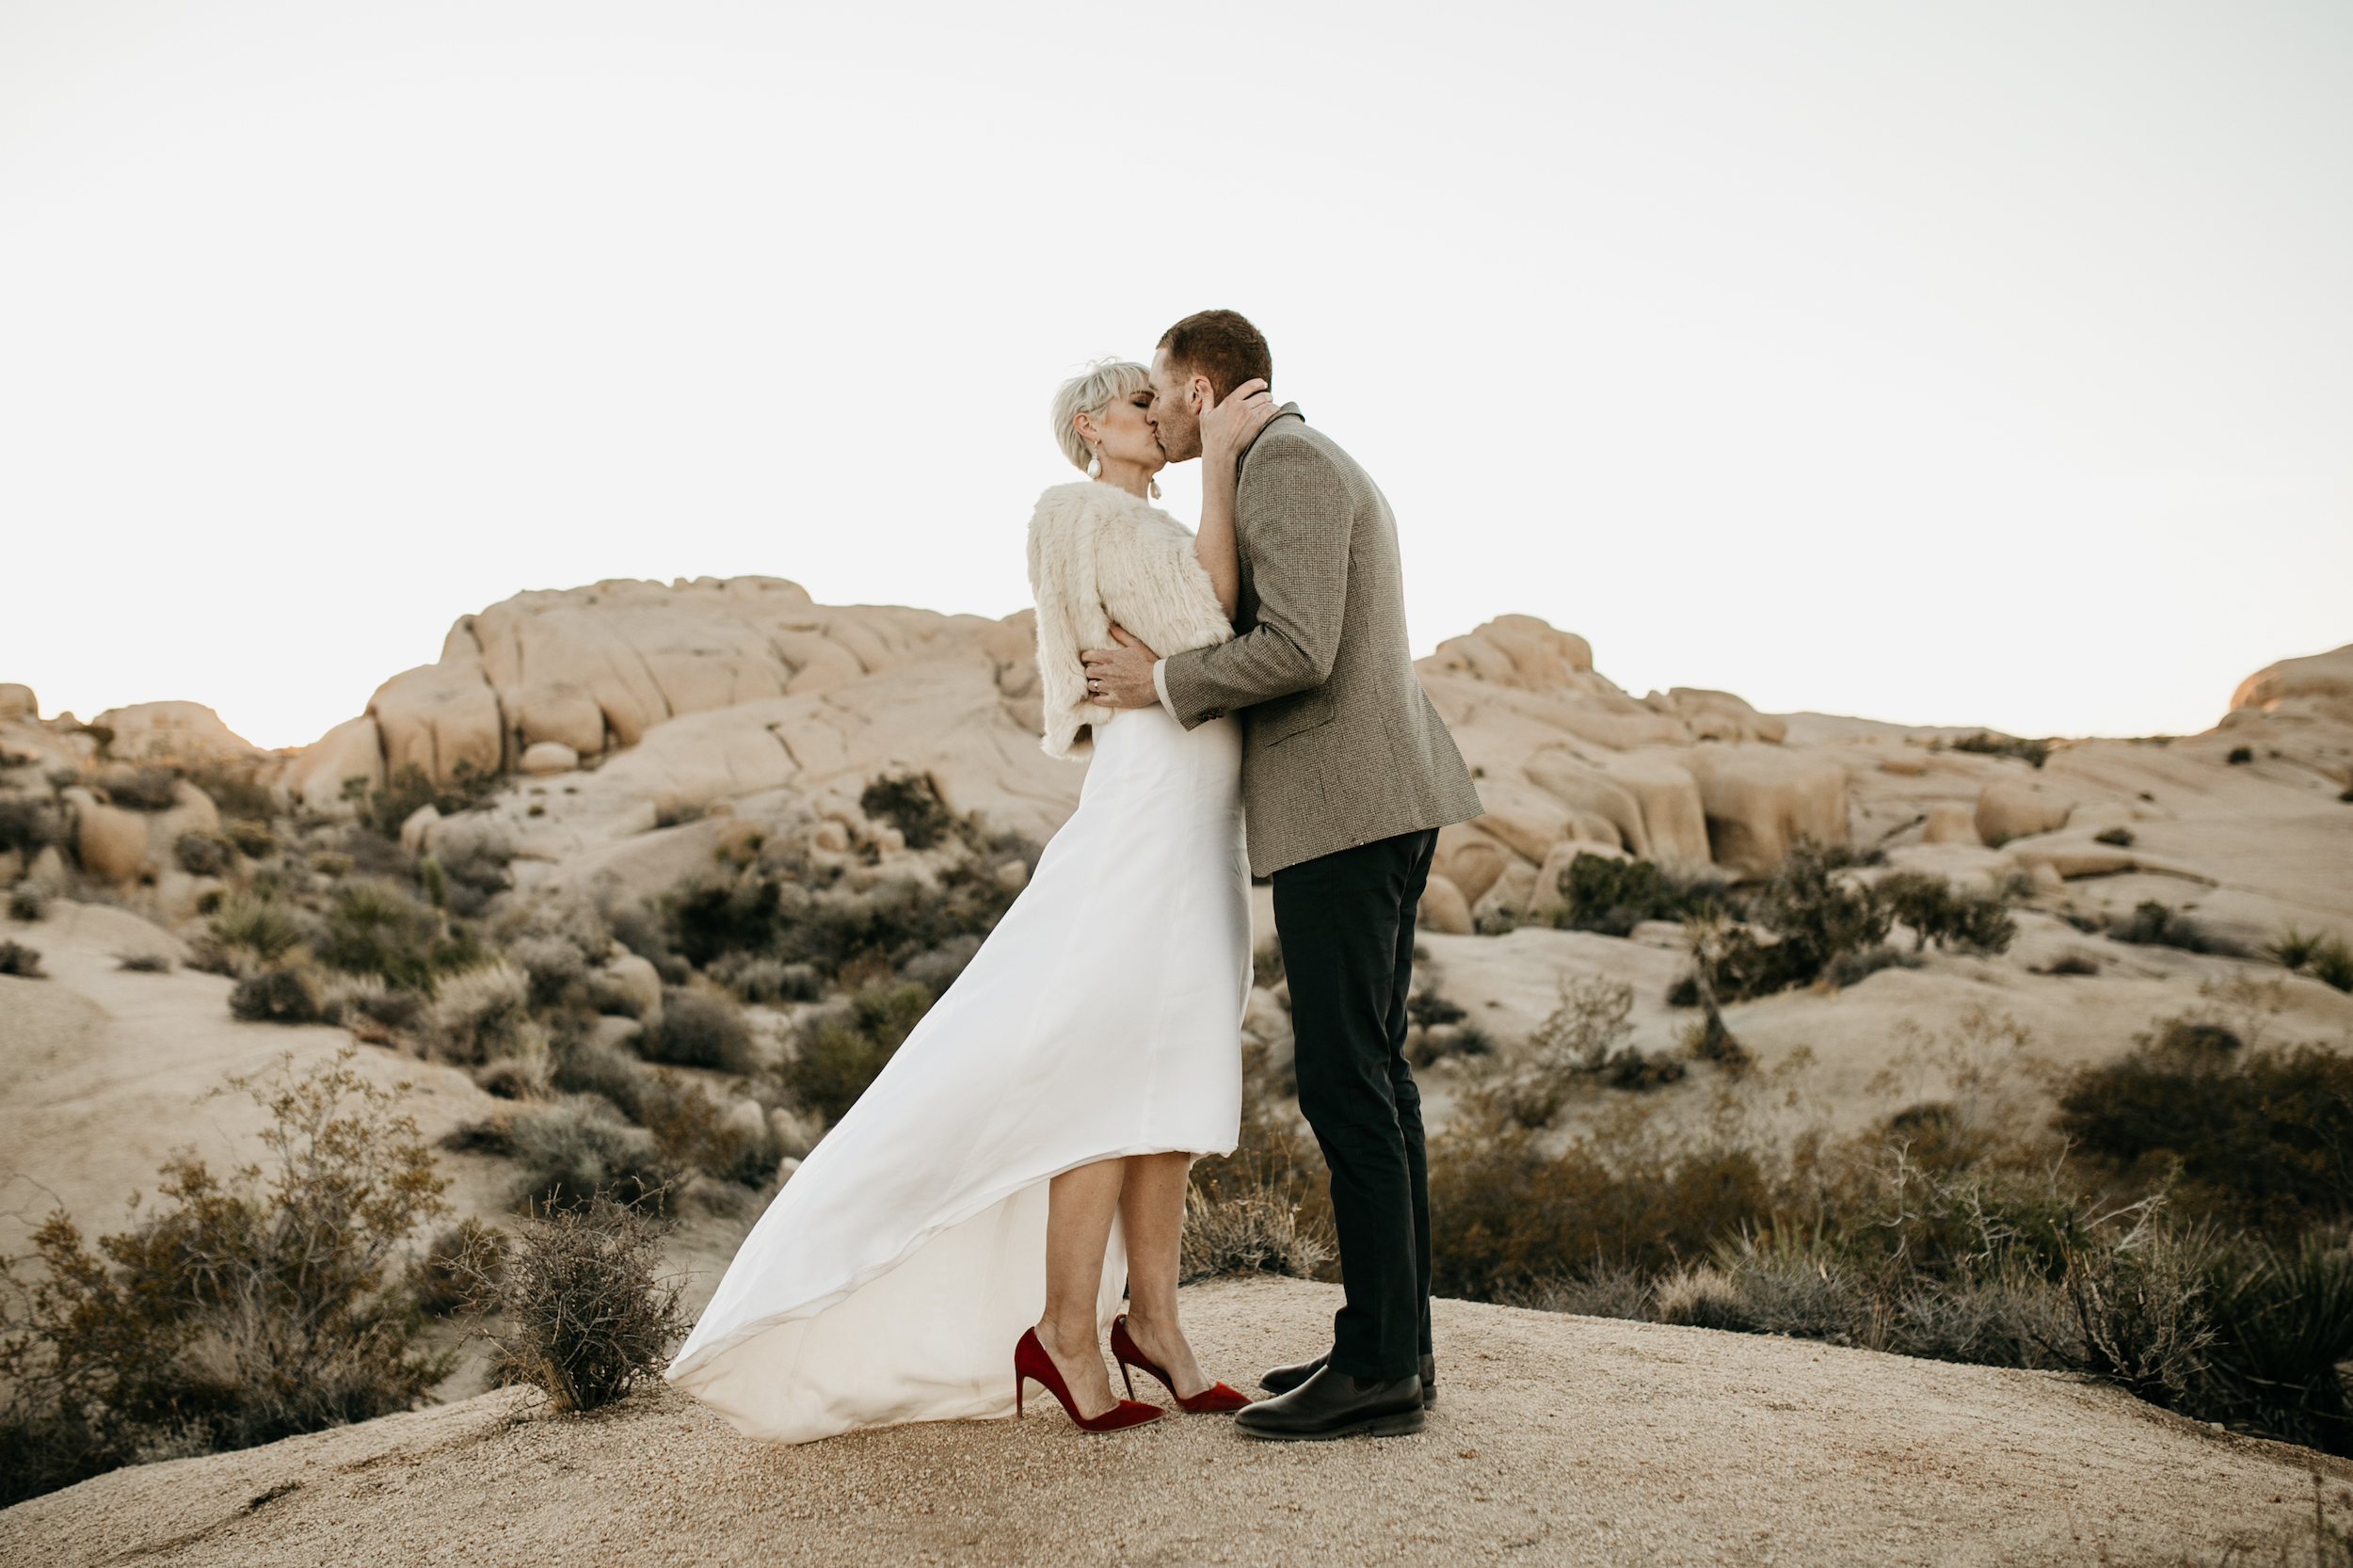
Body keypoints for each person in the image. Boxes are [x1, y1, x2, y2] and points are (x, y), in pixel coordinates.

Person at [664, 358, 1279, 1441]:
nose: (1155, 410)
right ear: (1090, 424)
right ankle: (1066, 1332)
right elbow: (1211, 632)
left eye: (1157, 396)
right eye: (1136, 399)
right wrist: (1222, 463)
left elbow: (1203, 636)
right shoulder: (1076, 508)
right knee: (1099, 1066)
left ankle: (1158, 1327)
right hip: (1144, 812)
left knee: (1173, 1077)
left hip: (1201, 821)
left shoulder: (1147, 525)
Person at [1080, 309, 1483, 1441]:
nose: (1155, 416)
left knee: (1348, 1083)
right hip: (1366, 803)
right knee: (1376, 1079)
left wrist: (1163, 680)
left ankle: (1379, 1370)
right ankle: (1394, 1343)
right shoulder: (1282, 458)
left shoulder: (1288, 464)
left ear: (1201, 392)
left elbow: (1297, 647)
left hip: (1345, 809)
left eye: (1161, 396)